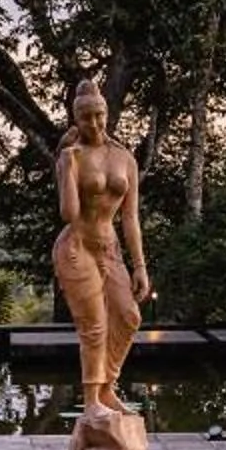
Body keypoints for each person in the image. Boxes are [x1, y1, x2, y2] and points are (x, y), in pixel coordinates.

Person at [51, 77, 151, 418]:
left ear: (106, 113)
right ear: (75, 119)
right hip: (77, 246)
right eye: (85, 117)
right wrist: (66, 166)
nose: (93, 123)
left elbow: (130, 217)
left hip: (110, 249)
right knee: (93, 325)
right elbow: (69, 213)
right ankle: (91, 400)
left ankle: (107, 389)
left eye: (98, 115)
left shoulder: (125, 158)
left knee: (128, 317)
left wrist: (139, 265)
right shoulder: (72, 156)